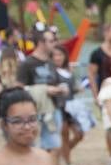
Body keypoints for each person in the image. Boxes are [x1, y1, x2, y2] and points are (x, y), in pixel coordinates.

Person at [17, 27, 71, 155]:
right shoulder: (27, 64)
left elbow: (55, 82)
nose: (55, 44)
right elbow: (19, 88)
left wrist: (61, 89)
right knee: (31, 147)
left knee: (53, 145)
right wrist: (43, 90)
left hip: (52, 110)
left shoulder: (51, 63)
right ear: (41, 42)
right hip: (33, 111)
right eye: (51, 41)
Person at [50, 44, 86, 165]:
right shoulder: (51, 72)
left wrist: (77, 89)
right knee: (64, 135)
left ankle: (61, 154)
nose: (58, 58)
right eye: (55, 55)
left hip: (71, 107)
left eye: (60, 55)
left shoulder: (69, 71)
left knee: (79, 134)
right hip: (59, 108)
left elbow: (71, 89)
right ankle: (68, 163)